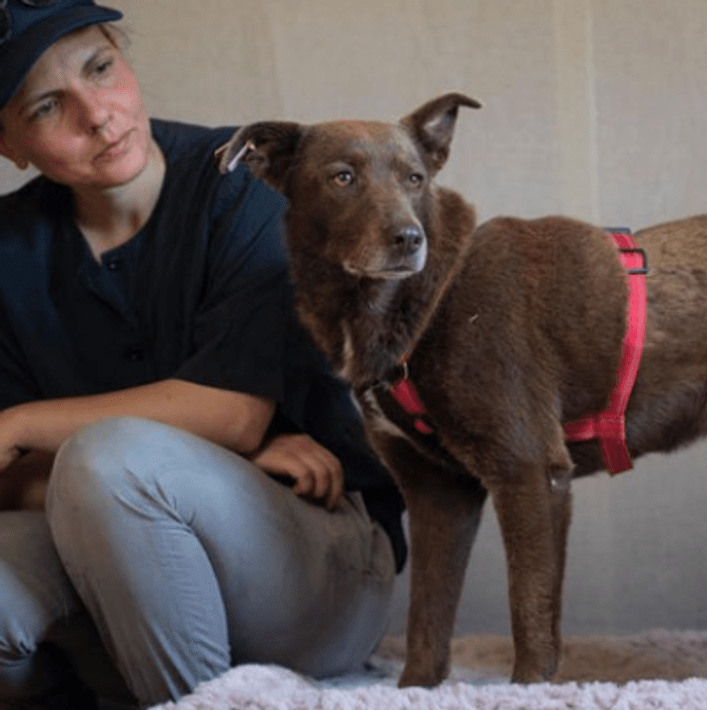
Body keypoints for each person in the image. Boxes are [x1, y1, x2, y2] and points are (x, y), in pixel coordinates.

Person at [0, 1, 407, 708]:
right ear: (8, 143)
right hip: (104, 558)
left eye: (101, 68)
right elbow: (7, 482)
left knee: (111, 459)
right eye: (46, 106)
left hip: (315, 555)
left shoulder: (248, 179)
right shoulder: (8, 248)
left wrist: (20, 426)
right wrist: (205, 462)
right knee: (98, 480)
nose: (97, 115)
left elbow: (231, 414)